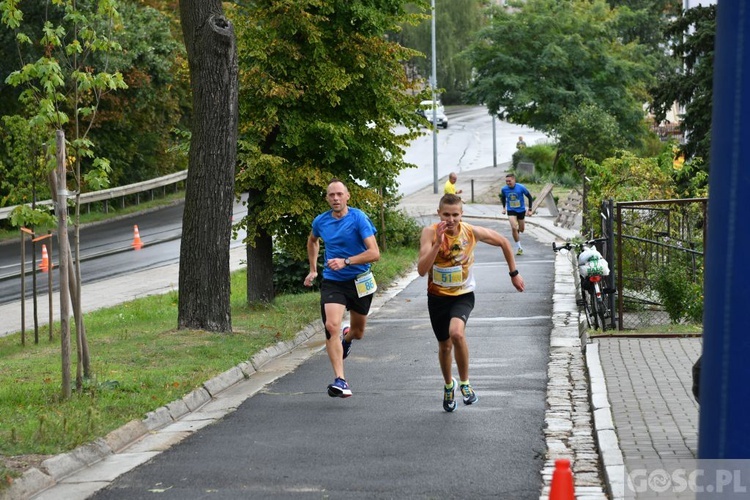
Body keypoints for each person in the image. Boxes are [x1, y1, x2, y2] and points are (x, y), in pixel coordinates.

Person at [417, 194, 525, 412]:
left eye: (455, 215)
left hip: (463, 295)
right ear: (439, 213)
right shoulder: (429, 233)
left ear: (461, 214)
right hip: (437, 297)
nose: (451, 219)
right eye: (446, 214)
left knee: (456, 333)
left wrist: (514, 273)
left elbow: (503, 241)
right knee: (444, 345)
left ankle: (465, 383)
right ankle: (449, 385)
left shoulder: (470, 231)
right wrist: (438, 243)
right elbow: (421, 270)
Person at [304, 179, 381, 398]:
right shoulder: (321, 221)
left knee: (358, 332)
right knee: (331, 325)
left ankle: (347, 339)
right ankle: (341, 380)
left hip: (359, 280)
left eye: (339, 194)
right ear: (327, 198)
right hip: (333, 281)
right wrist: (313, 269)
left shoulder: (359, 218)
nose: (335, 198)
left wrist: (346, 261)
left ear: (347, 196)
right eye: (331, 195)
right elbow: (312, 241)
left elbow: (374, 253)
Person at [500, 173, 533, 255]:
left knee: (521, 229)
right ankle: (519, 247)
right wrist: (504, 208)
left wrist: (530, 209)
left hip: (521, 210)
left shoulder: (521, 187)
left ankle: (518, 229)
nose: (508, 183)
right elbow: (503, 198)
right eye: (506, 181)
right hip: (511, 210)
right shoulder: (504, 189)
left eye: (509, 181)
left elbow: (529, 197)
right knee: (514, 227)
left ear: (514, 180)